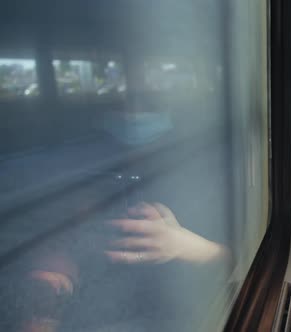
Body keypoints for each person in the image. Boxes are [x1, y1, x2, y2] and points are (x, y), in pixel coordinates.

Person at [5, 59, 231, 332]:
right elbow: (56, 251)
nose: (133, 111)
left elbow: (241, 259)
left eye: (146, 100)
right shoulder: (72, 161)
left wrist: (183, 245)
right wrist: (45, 293)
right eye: (121, 98)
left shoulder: (213, 157)